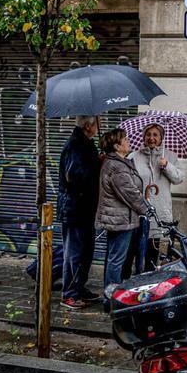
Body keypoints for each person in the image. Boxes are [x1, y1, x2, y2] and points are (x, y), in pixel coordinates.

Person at [96, 127, 146, 307]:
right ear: (117, 146)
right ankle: (111, 299)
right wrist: (146, 209)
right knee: (116, 260)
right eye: (125, 139)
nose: (128, 141)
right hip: (120, 220)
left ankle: (111, 296)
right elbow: (129, 193)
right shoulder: (116, 166)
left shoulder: (119, 162)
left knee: (114, 258)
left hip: (121, 218)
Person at [58, 115, 102, 310]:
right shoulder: (76, 144)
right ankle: (69, 293)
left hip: (86, 208)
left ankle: (79, 286)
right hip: (75, 208)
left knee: (86, 251)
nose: (99, 126)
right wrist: (97, 165)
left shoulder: (86, 143)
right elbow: (73, 174)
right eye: (97, 122)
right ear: (88, 126)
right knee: (74, 252)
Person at [132, 123, 185, 271]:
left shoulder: (170, 156)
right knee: (136, 251)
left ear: (162, 137)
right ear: (143, 137)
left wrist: (167, 165)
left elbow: (179, 178)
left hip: (159, 212)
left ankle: (149, 284)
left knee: (153, 253)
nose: (151, 138)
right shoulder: (134, 156)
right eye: (148, 135)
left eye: (155, 135)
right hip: (139, 212)